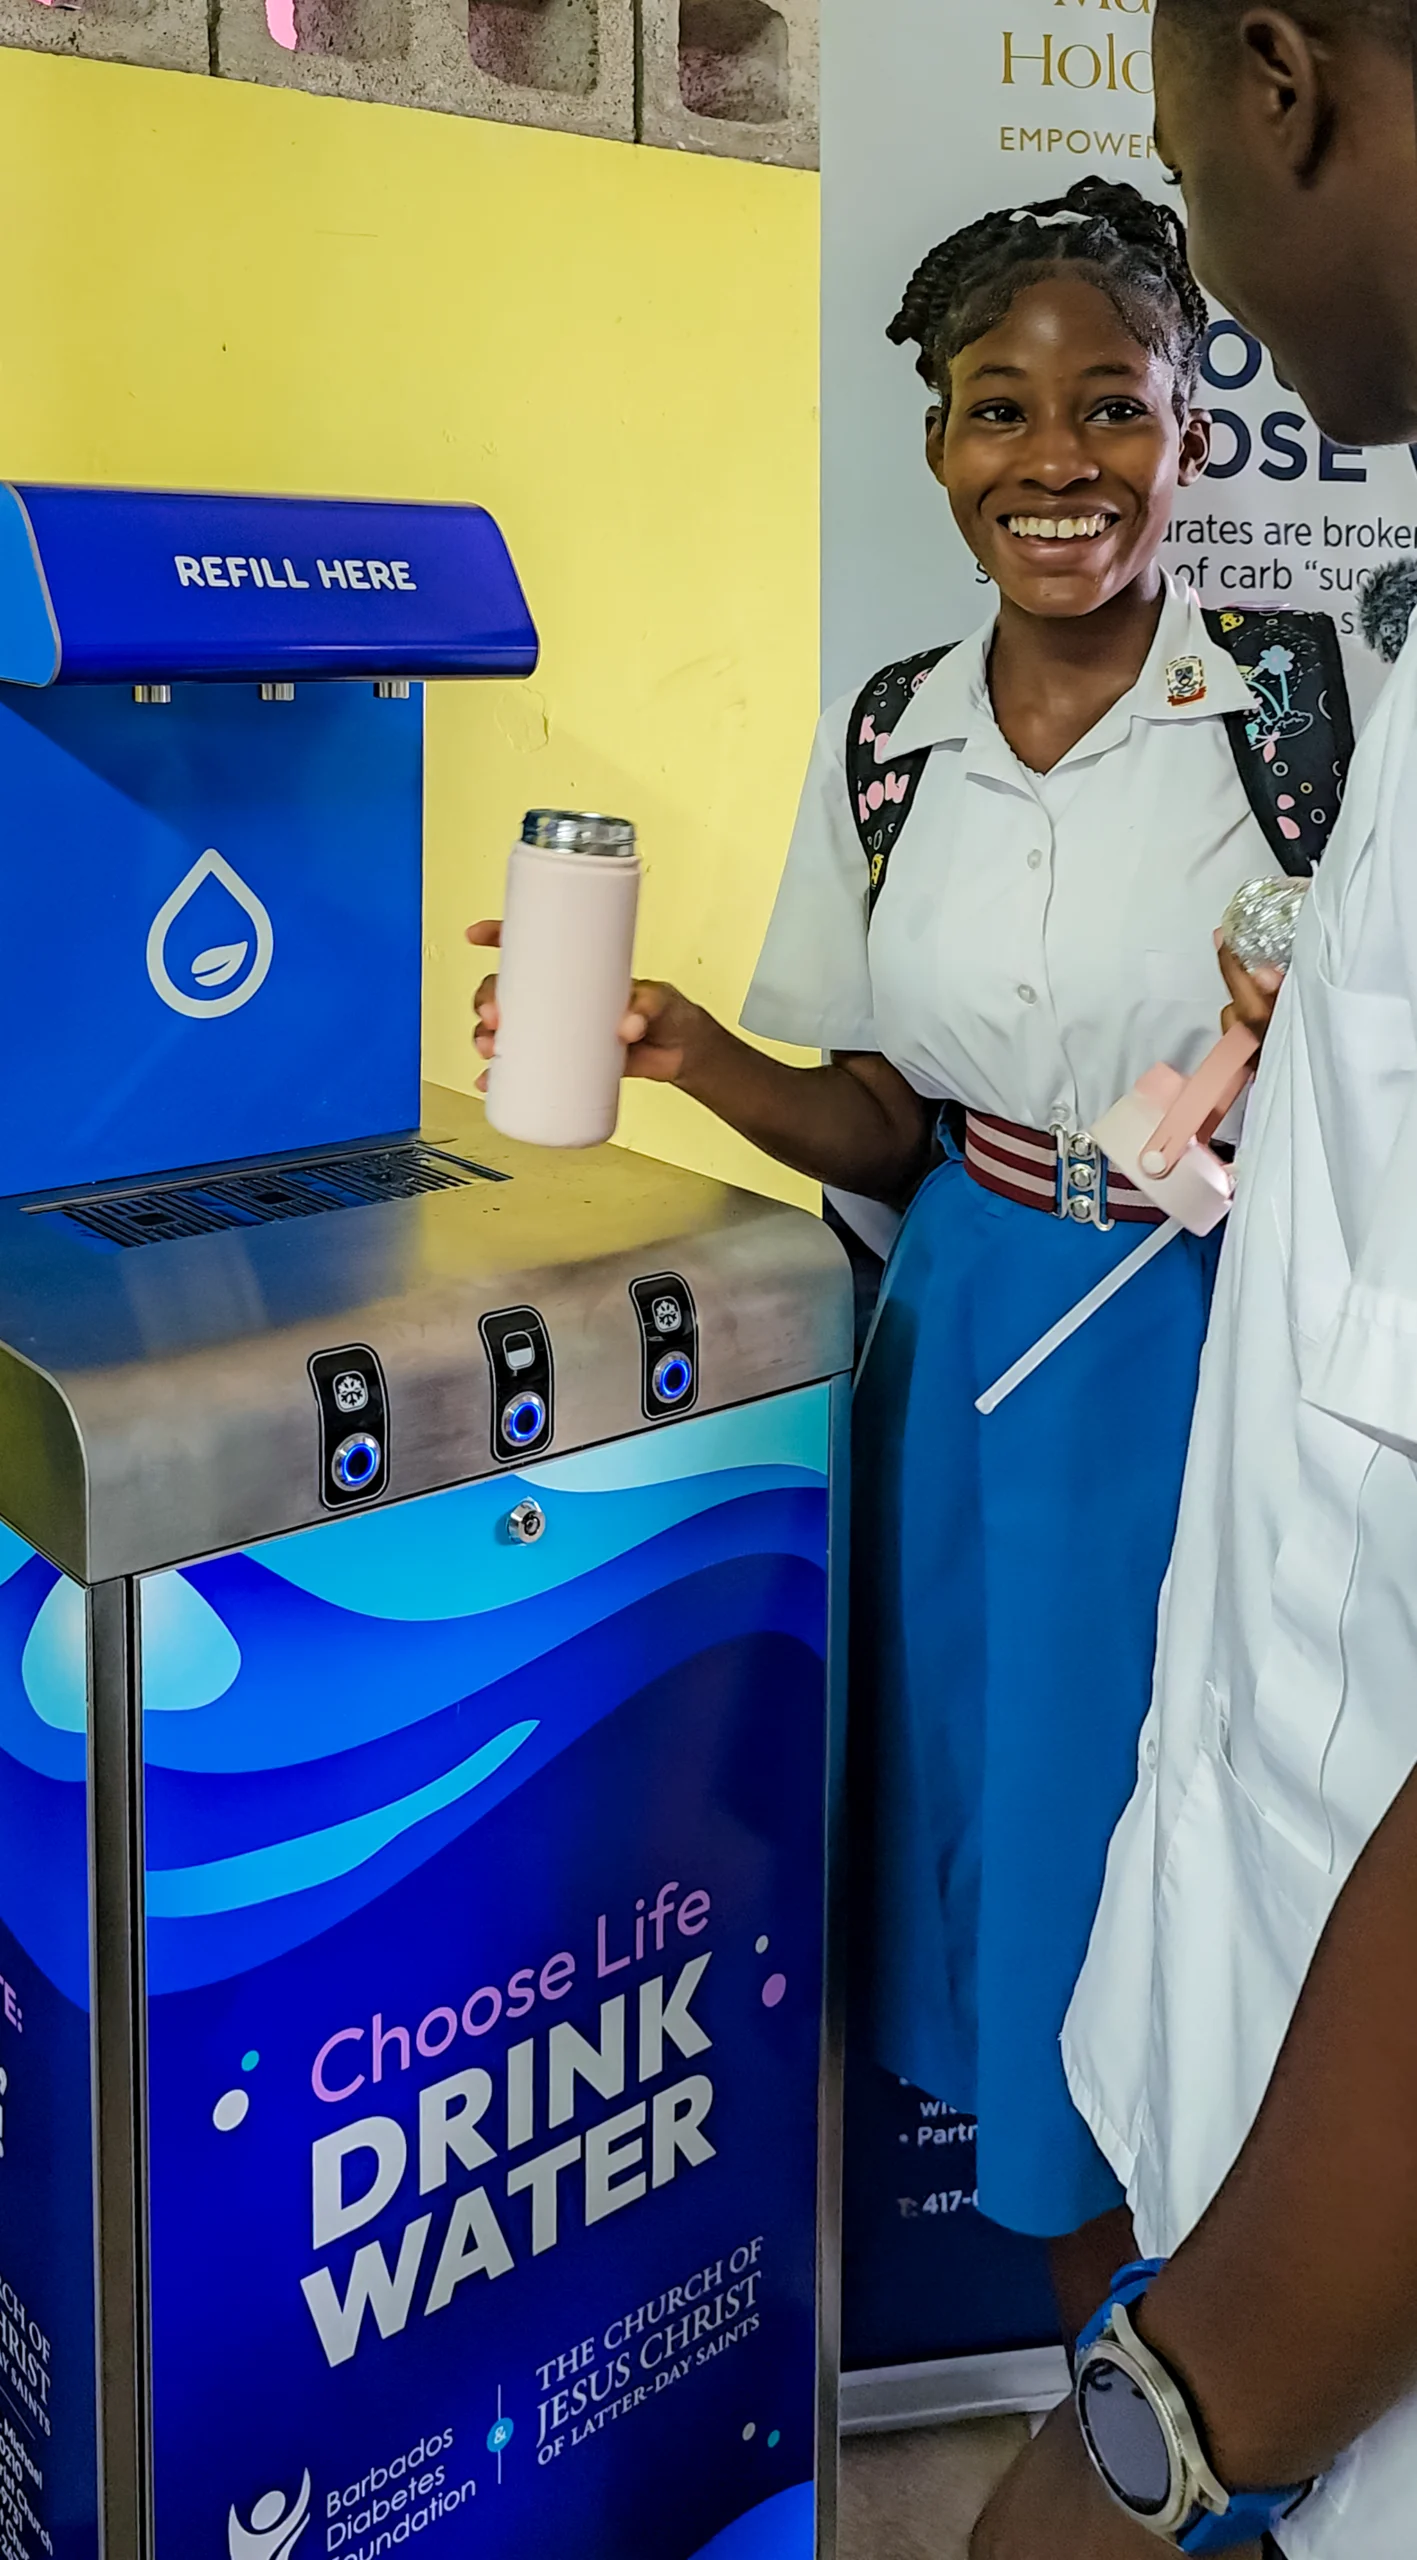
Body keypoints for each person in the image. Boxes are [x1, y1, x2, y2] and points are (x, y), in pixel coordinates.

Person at [470, 178, 1348, 2341]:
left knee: (1219, 1832)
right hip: (964, 1327)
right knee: (996, 1843)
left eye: (1114, 409)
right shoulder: (891, 740)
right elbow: (882, 1120)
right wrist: (684, 1054)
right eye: (997, 411)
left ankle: (1218, 2356)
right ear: (939, 444)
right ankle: (1123, 2354)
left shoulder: (1301, 722)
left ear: (1191, 433)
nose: (1057, 461)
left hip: (1215, 1340)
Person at [971, 5, 1417, 2557]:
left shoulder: (1266, 709)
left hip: (1315, 2322)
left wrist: (1165, 2426)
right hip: (1276, 2116)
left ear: (1285, 80)